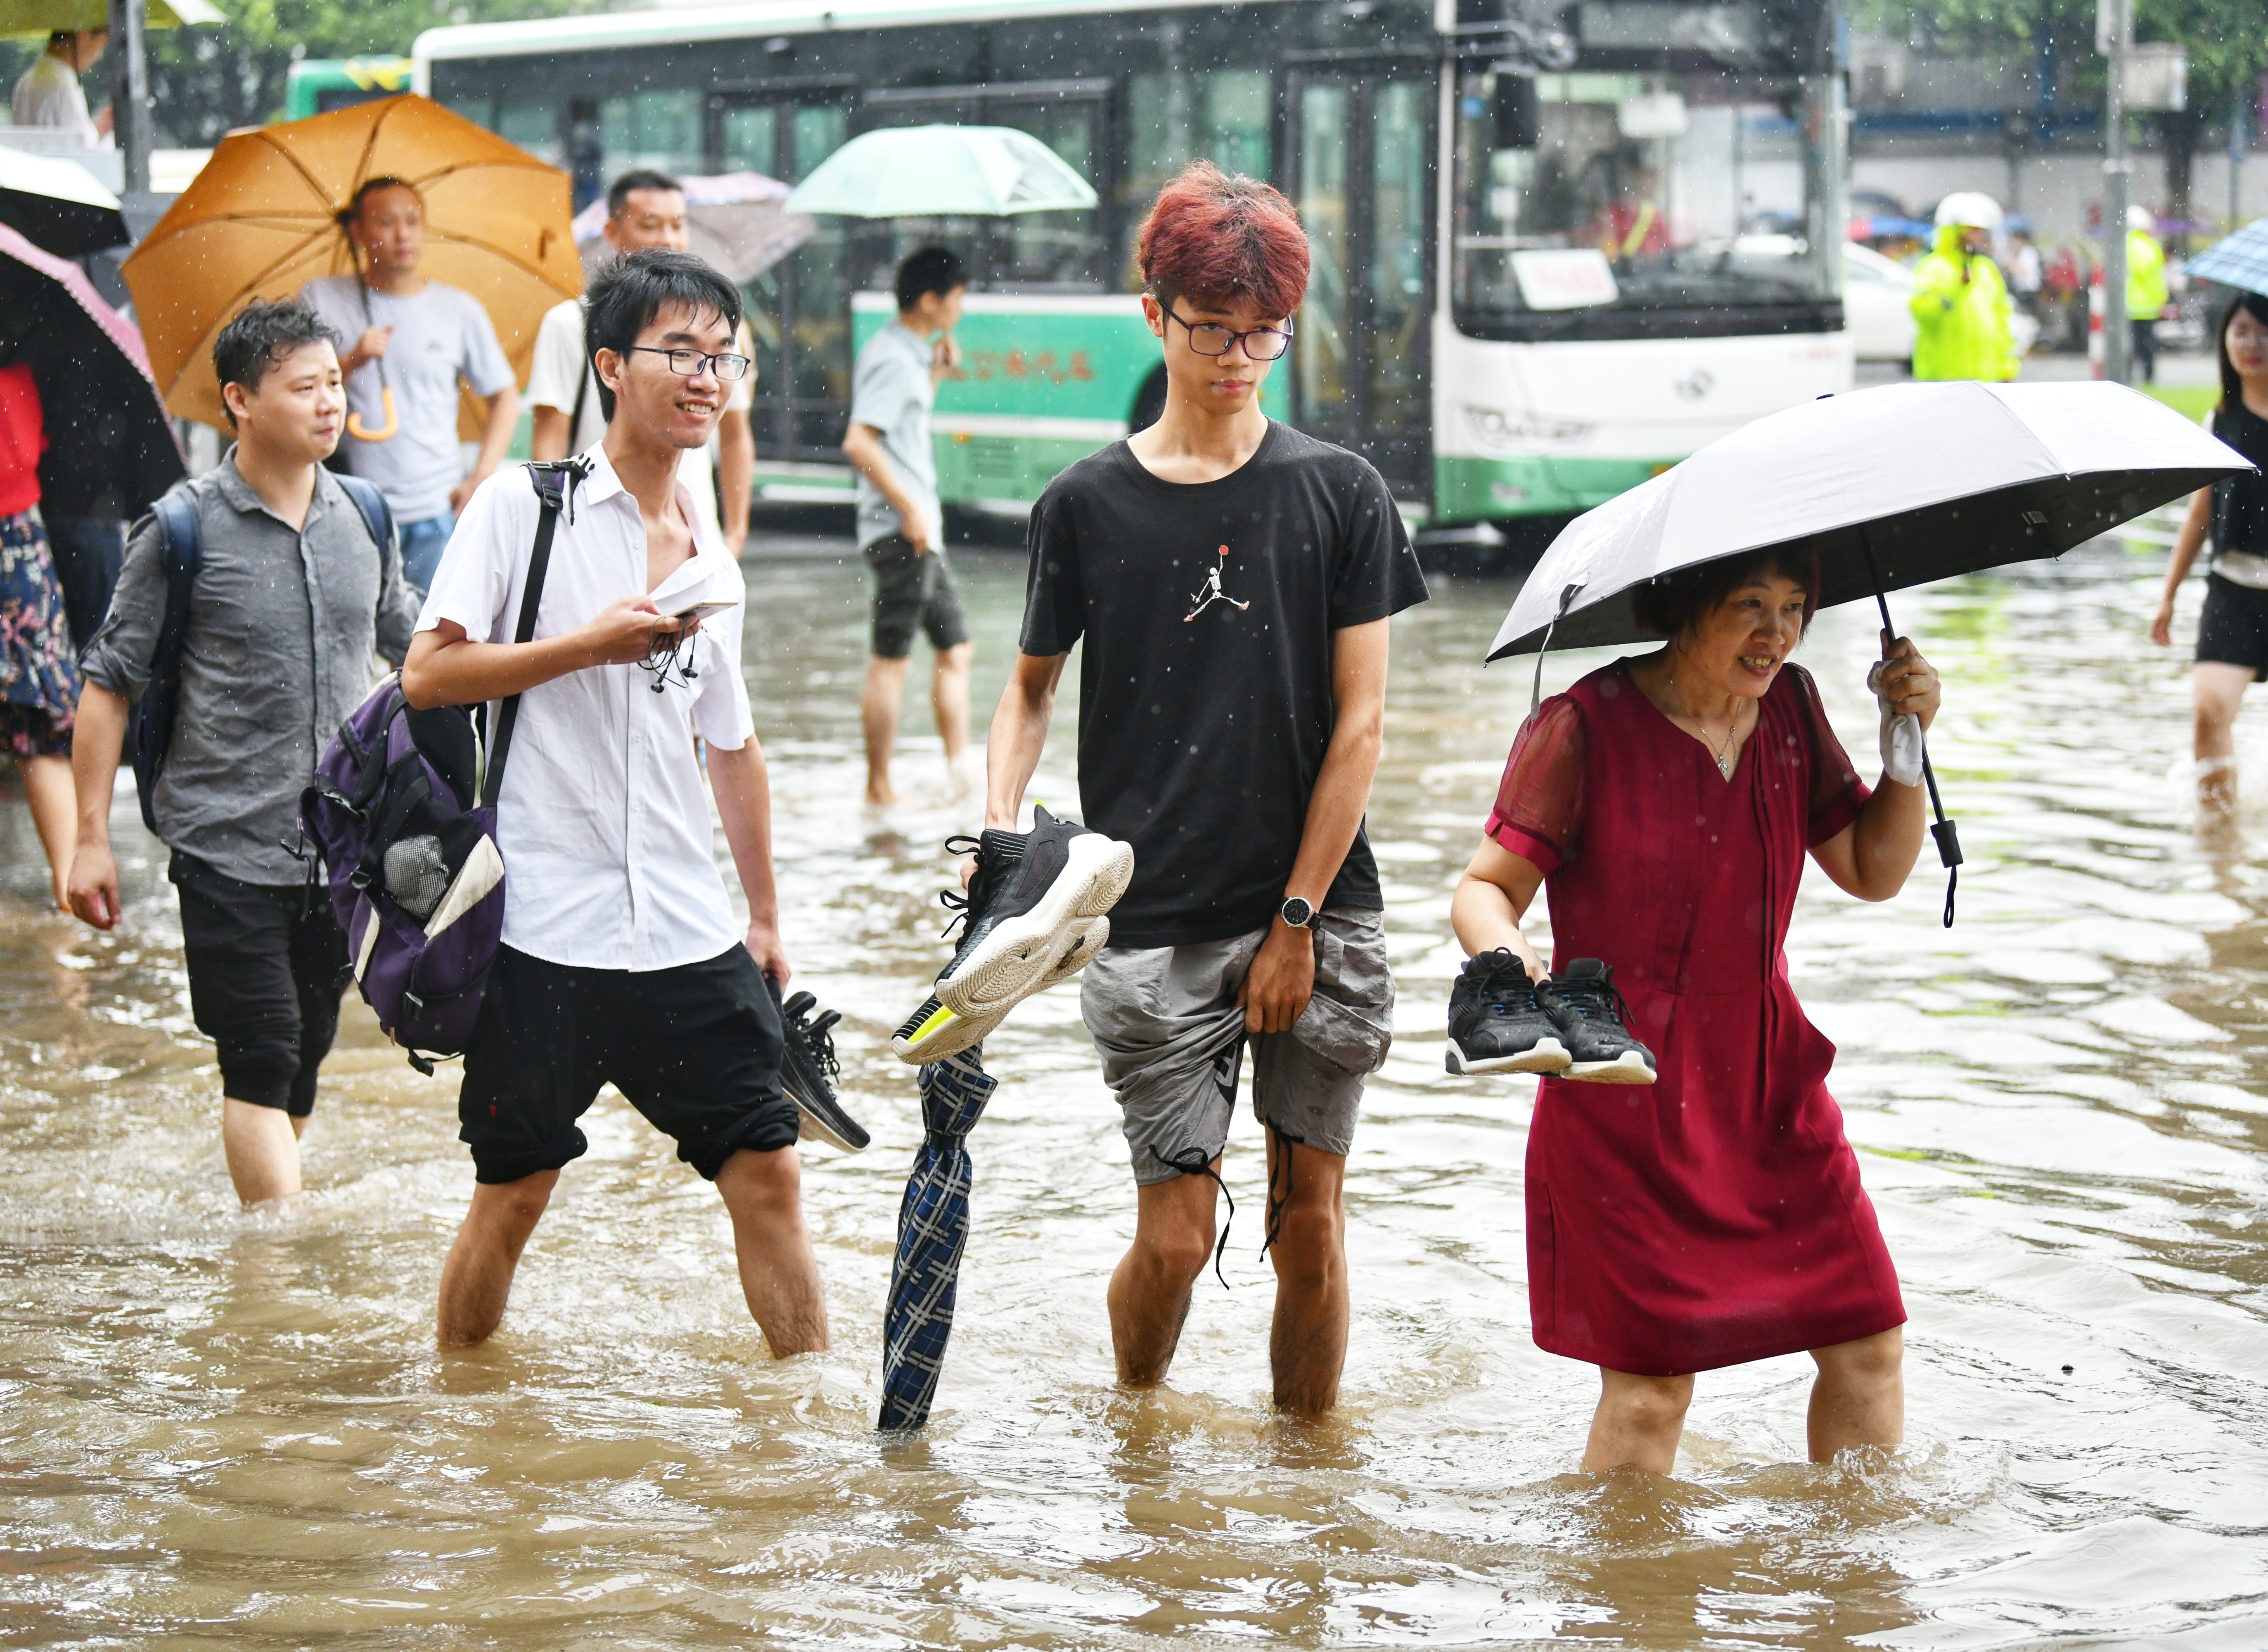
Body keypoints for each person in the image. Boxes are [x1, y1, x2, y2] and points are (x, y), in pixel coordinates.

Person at [978, 163, 1428, 1415]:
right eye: (1214, 328)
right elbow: (1027, 691)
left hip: (1319, 910)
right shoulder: (1082, 505)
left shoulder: (1339, 494)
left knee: (1310, 1228)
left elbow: (1363, 723)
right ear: (1155, 315)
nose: (1241, 357)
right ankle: (1137, 1445)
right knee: (1175, 1238)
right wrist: (1002, 830)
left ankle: (1306, 1498)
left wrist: (1295, 918)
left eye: (1265, 332)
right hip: (1150, 914)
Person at [401, 249, 832, 1355]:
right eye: (677, 352)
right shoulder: (522, 509)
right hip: (548, 927)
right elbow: (427, 675)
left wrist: (767, 916)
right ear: (608, 364)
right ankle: (462, 1421)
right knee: (516, 1191)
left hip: (686, 926)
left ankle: (815, 1442)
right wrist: (585, 647)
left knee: (769, 1173)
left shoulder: (708, 546)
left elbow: (731, 745)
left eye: (722, 356)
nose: (705, 377)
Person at [1448, 551, 1941, 1474]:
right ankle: (1633, 1611)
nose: (1777, 634)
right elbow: (1483, 889)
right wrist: (1512, 970)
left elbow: (1873, 870)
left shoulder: (1792, 707)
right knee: (1649, 1392)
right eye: (1748, 607)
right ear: (1681, 608)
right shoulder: (1582, 724)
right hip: (1621, 1082)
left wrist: (1904, 745)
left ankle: (1855, 1598)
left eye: (1794, 607)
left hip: (1772, 1084)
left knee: (1867, 1343)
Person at [69, 300, 419, 1204]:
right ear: (240, 400)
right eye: (304, 387)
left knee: (300, 1064)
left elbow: (414, 647)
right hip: (225, 845)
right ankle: (279, 1284)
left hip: (341, 852)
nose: (330, 403)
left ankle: (257, 1233)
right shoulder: (181, 530)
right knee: (260, 1054)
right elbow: (109, 684)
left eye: (335, 382)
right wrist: (88, 839)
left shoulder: (366, 514)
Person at [300, 178, 520, 592]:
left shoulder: (458, 310)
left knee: (427, 644)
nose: (403, 235)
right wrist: (351, 360)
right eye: (385, 222)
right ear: (357, 231)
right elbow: (298, 389)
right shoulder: (322, 299)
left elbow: (505, 396)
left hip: (435, 510)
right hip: (346, 504)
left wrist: (482, 475)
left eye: (413, 221)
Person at [527, 171, 756, 554]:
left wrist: (734, 536)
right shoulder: (570, 323)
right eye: (650, 225)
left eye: (677, 225)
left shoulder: (722, 328)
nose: (667, 239)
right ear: (611, 231)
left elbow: (734, 434)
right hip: (594, 532)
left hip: (696, 542)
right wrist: (554, 528)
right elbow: (551, 434)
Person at [843, 246, 974, 806]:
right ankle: (878, 789)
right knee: (891, 660)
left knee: (958, 648)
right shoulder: (895, 359)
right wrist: (910, 509)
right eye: (957, 299)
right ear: (930, 300)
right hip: (905, 531)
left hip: (919, 530)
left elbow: (899, 434)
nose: (961, 311)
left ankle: (958, 771)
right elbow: (860, 440)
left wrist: (937, 375)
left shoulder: (906, 354)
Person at [2149, 292, 2268, 812]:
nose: (2252, 344)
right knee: (2209, 713)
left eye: (2264, 332)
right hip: (2232, 591)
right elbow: (2200, 515)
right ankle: (2221, 850)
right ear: (2225, 341)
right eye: (2241, 331)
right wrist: (2169, 594)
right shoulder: (2219, 422)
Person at [0, 358, 79, 912]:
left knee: (42, 727)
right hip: (19, 540)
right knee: (41, 725)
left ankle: (73, 891)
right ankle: (73, 895)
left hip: (17, 537)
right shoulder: (17, 354)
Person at [1910, 193, 2017, 383]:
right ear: (1954, 231)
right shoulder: (1933, 268)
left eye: (1982, 231)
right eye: (1973, 231)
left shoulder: (1987, 269)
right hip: (1943, 380)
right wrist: (1955, 288)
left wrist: (2006, 366)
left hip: (1986, 381)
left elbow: (2001, 321)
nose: (1980, 237)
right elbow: (1923, 314)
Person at [11, 29, 109, 145]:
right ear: (83, 36)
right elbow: (80, 144)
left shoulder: (25, 81)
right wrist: (103, 125)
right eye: (102, 45)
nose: (99, 56)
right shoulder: (62, 84)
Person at [2127, 206, 2171, 387]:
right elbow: (2158, 279)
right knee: (2147, 346)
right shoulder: (2151, 247)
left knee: (2131, 345)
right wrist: (2161, 299)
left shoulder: (2125, 245)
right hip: (2147, 305)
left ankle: (2125, 377)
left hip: (2128, 305)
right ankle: (2148, 378)